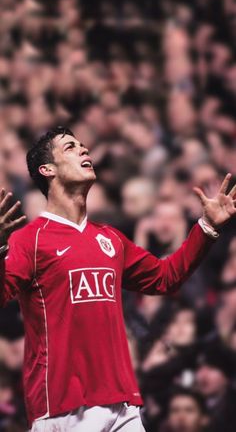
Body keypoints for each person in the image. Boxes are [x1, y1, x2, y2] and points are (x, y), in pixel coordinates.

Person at [0, 126, 235, 432]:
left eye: (84, 145)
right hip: (64, 406)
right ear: (47, 170)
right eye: (70, 147)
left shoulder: (110, 238)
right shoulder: (29, 240)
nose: (84, 150)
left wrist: (206, 228)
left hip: (123, 404)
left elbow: (165, 278)